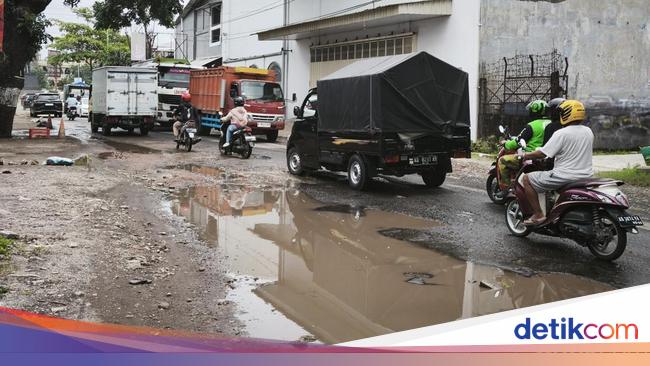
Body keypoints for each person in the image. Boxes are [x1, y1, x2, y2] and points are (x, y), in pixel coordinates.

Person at [521, 100, 594, 226]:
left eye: (561, 112)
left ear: (567, 114)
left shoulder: (561, 133)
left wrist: (525, 155)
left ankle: (538, 214)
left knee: (527, 179)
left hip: (564, 176)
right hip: (586, 176)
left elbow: (543, 153)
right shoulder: (588, 131)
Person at [498, 100, 551, 190]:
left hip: (530, 156)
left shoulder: (532, 126)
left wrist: (506, 144)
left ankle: (507, 188)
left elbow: (517, 141)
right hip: (547, 158)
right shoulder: (551, 123)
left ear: (534, 111)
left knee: (502, 161)